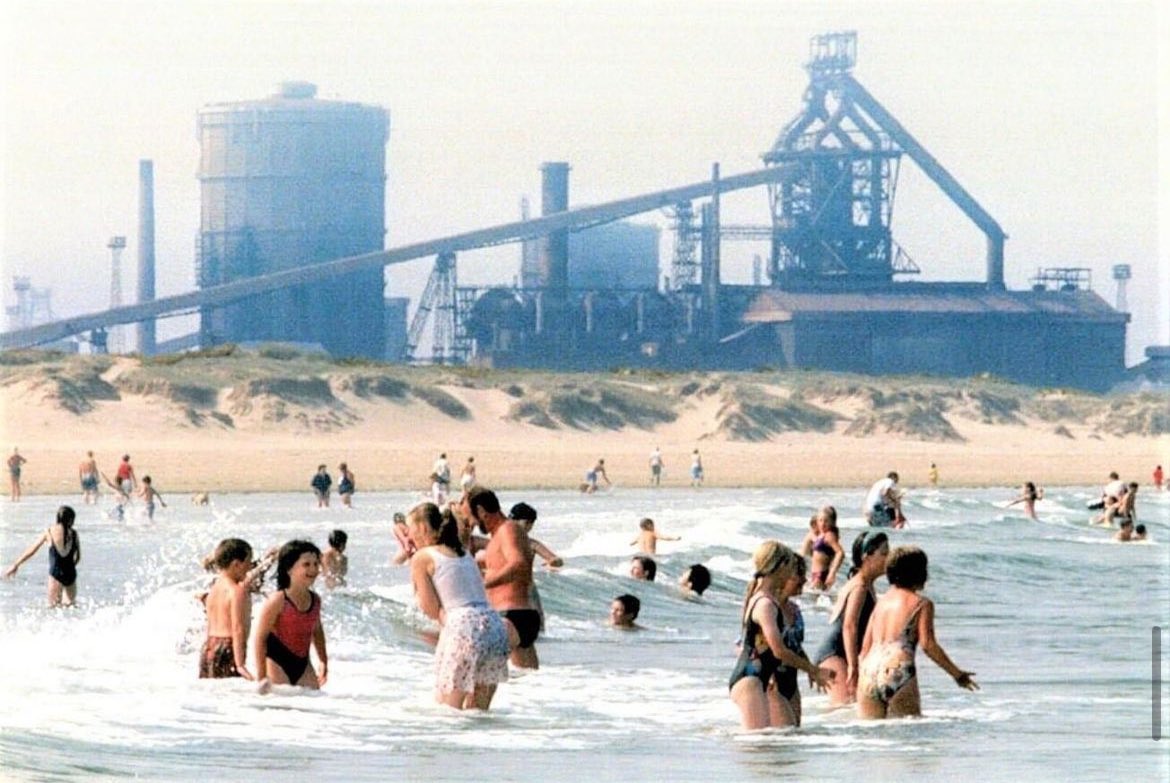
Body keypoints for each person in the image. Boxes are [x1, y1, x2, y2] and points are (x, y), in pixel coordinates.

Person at [407, 501, 510, 710]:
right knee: (479, 712)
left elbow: (430, 608)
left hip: (464, 625)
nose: (408, 536)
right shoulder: (464, 553)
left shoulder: (422, 557)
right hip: (494, 625)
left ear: (423, 528)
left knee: (449, 711)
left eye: (410, 530)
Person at [857, 546, 978, 719]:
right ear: (917, 572)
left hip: (869, 671)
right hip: (897, 670)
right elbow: (928, 645)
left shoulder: (880, 604)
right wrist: (956, 674)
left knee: (872, 738)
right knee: (908, 737)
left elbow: (864, 649)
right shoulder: (921, 604)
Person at [728, 540, 833, 730]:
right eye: (790, 568)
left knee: (780, 738)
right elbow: (779, 651)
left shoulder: (769, 601)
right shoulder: (764, 604)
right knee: (757, 745)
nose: (792, 574)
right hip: (749, 680)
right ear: (779, 567)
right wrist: (813, 670)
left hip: (759, 680)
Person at [463, 487, 541, 669]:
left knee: (477, 671)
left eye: (473, 518)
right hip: (515, 616)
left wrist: (485, 584)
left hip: (512, 615)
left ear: (481, 511)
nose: (473, 524)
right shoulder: (498, 536)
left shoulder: (508, 530)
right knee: (526, 681)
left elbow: (518, 564)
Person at [813, 530, 890, 706]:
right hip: (834, 654)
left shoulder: (865, 583)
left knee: (851, 706)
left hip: (841, 653)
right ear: (866, 557)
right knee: (843, 706)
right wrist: (853, 667)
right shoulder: (860, 587)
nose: (888, 558)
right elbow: (849, 626)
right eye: (884, 553)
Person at [254, 540, 328, 690]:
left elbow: (317, 631)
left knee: (313, 704)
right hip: (277, 661)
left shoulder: (315, 600)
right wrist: (261, 677)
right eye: (306, 564)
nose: (313, 569)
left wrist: (323, 660)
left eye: (316, 564)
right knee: (282, 706)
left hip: (303, 663)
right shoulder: (278, 600)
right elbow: (260, 639)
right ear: (289, 569)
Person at [199, 538, 256, 679]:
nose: (250, 568)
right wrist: (240, 664)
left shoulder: (214, 589)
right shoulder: (236, 591)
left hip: (209, 647)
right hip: (228, 648)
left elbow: (210, 624)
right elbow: (238, 628)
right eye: (248, 562)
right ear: (236, 564)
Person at [3, 505, 81, 607]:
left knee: (53, 609)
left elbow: (32, 550)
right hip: (70, 574)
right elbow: (78, 557)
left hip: (55, 573)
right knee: (71, 607)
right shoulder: (74, 534)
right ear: (71, 520)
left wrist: (16, 564)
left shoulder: (50, 531)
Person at [800, 505, 845, 590]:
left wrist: (832, 572)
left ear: (832, 522)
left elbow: (840, 553)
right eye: (820, 520)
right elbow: (806, 551)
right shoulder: (821, 535)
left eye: (826, 521)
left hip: (821, 574)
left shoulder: (829, 535)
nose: (823, 524)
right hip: (815, 574)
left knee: (814, 598)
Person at [509, 502, 563, 568]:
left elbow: (558, 560)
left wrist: (554, 562)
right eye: (526, 523)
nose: (529, 526)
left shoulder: (531, 544)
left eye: (531, 523)